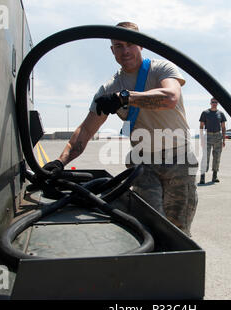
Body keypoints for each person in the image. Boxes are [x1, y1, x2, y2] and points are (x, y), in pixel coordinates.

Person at [42, 22, 198, 236]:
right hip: (144, 163)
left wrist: (126, 98)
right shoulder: (110, 89)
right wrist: (61, 162)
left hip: (178, 159)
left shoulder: (162, 69)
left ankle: (180, 267)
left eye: (130, 44)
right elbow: (86, 131)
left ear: (141, 45)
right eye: (118, 46)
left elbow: (170, 98)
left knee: (179, 230)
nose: (125, 51)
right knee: (151, 226)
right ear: (112, 50)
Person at [198, 98, 227, 184]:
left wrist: (224, 139)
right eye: (213, 102)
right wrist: (202, 139)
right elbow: (201, 126)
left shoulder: (221, 114)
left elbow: (223, 127)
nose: (214, 103)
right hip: (208, 136)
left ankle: (215, 176)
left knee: (217, 157)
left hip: (218, 136)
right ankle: (202, 177)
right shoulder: (205, 113)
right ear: (210, 103)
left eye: (216, 102)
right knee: (205, 157)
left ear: (217, 103)